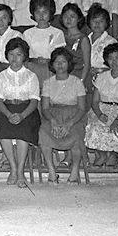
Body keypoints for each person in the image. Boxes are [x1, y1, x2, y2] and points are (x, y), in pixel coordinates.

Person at [0, 38, 40, 187]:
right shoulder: (1, 76)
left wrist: (22, 115)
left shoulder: (32, 76)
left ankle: (20, 172)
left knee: (23, 131)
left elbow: (34, 101)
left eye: (18, 54)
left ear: (24, 56)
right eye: (11, 54)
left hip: (27, 110)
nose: (14, 58)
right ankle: (13, 169)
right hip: (6, 109)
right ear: (6, 55)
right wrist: (8, 114)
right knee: (3, 129)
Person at [39, 47, 87, 184]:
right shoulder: (48, 83)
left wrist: (69, 123)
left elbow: (82, 108)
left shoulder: (77, 82)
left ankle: (75, 171)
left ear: (69, 64)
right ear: (52, 64)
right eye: (56, 62)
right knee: (43, 133)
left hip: (74, 115)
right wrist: (53, 121)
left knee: (77, 134)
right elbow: (45, 108)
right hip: (53, 115)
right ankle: (51, 171)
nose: (60, 65)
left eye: (63, 61)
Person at [85, 43, 118, 168]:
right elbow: (95, 101)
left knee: (117, 130)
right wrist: (100, 114)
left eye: (117, 57)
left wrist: (116, 121)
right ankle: (101, 154)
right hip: (102, 109)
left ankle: (114, 155)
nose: (114, 61)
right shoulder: (101, 77)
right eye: (110, 58)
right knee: (95, 127)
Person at [22, 0, 65, 85]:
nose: (41, 16)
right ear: (33, 13)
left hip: (51, 68)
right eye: (38, 12)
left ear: (50, 13)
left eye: (45, 12)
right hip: (32, 68)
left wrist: (48, 61)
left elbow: (60, 55)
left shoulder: (58, 33)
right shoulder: (27, 33)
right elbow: (24, 56)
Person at [60, 3, 91, 93]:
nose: (68, 19)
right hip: (62, 77)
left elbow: (87, 64)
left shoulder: (83, 39)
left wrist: (81, 81)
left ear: (79, 19)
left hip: (78, 77)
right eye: (65, 16)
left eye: (72, 16)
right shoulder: (60, 36)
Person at [0, 4, 22, 76]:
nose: (1, 21)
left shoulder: (16, 35)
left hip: (12, 70)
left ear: (9, 19)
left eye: (4, 17)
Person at [87, 4, 117, 79]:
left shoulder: (111, 42)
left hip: (104, 78)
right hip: (86, 77)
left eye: (101, 21)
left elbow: (116, 64)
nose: (97, 23)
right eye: (94, 20)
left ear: (107, 23)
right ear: (89, 22)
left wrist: (100, 70)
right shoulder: (84, 40)